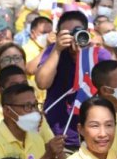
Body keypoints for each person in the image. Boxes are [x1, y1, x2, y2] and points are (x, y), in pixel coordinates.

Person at [35, 11, 112, 149]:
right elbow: (42, 83)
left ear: (87, 32)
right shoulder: (54, 51)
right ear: (58, 34)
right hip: (58, 135)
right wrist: (57, 49)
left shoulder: (99, 54)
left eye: (77, 32)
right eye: (68, 34)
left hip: (93, 138)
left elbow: (112, 89)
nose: (73, 37)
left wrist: (84, 57)